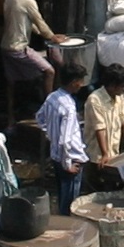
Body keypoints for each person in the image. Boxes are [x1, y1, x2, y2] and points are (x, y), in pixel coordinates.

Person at [0, 0, 62, 100]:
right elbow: (40, 22)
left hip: (6, 47)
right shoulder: (28, 1)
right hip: (19, 49)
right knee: (50, 71)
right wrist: (52, 37)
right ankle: (49, 108)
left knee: (11, 82)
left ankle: (11, 116)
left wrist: (42, 33)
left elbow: (28, 23)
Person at [38, 62, 89, 213]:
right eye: (80, 81)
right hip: (71, 158)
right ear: (74, 82)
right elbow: (65, 140)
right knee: (70, 204)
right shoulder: (69, 107)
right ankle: (67, 230)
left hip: (56, 156)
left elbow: (40, 117)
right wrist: (68, 165)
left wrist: (50, 134)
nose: (81, 85)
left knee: (62, 196)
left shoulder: (52, 97)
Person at [83, 65, 124, 161]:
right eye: (122, 86)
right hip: (96, 155)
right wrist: (105, 153)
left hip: (113, 153)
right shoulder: (95, 99)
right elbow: (99, 128)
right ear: (112, 85)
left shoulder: (119, 98)